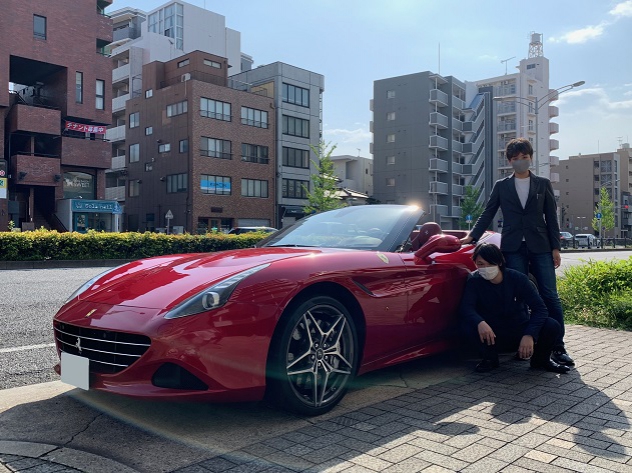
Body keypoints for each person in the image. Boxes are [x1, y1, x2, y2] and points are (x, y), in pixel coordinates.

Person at [460, 138, 574, 367]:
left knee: (550, 295)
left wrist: (555, 247)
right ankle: (521, 341)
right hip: (512, 246)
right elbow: (488, 212)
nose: (521, 161)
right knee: (518, 296)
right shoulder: (502, 185)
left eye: (525, 157)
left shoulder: (542, 184)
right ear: (509, 161)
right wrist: (471, 237)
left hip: (540, 245)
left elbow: (551, 217)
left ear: (530, 157)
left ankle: (558, 347)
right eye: (516, 159)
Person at [459, 243, 570, 374]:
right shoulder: (474, 281)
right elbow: (466, 307)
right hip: (492, 332)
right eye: (480, 264)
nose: (485, 268)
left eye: (489, 264)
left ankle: (541, 360)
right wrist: (479, 322)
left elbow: (540, 309)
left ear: (500, 262)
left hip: (518, 328)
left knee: (551, 325)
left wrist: (530, 334)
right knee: (468, 323)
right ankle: (489, 359)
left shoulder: (518, 279)